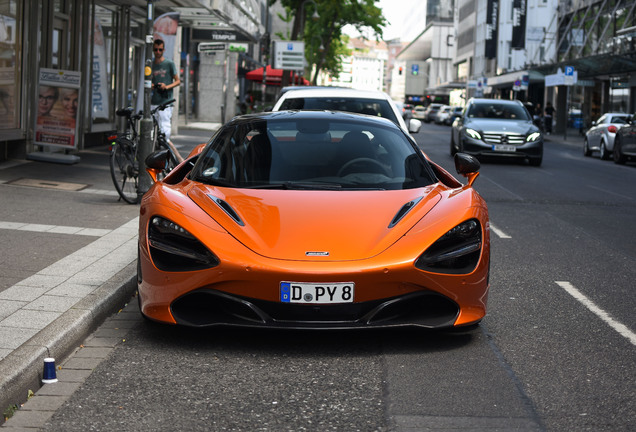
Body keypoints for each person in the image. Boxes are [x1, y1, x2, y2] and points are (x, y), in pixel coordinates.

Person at [151, 38, 183, 162]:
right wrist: (153, 86)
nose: (158, 52)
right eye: (155, 50)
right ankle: (171, 159)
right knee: (153, 134)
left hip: (165, 102)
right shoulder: (151, 65)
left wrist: (166, 87)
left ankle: (178, 159)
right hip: (154, 101)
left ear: (163, 50)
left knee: (164, 134)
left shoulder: (169, 64)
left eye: (160, 50)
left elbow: (178, 81)